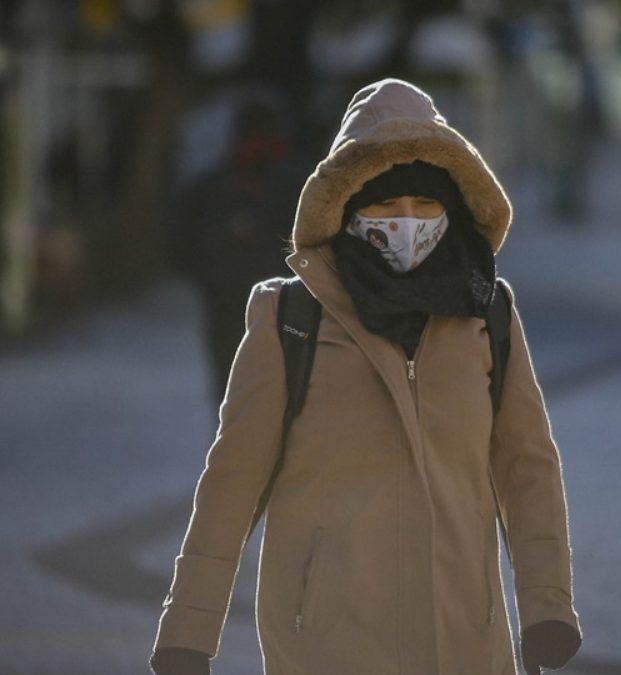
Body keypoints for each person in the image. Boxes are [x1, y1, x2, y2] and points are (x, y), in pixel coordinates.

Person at [150, 79, 581, 675]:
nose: (407, 223)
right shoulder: (288, 320)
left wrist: (547, 607)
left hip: (463, 640)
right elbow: (231, 482)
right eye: (384, 205)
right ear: (348, 208)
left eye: (426, 205)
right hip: (325, 645)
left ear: (452, 208)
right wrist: (188, 628)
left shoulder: (488, 314)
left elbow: (528, 468)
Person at [171, 93, 309, 404]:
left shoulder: (210, 185)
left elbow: (180, 244)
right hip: (279, 302)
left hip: (230, 301)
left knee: (232, 391)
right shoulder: (298, 185)